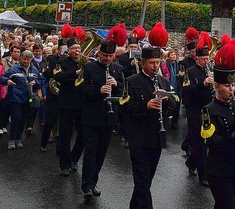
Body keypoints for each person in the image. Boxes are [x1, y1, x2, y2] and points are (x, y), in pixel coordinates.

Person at [120, 22, 177, 209]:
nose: (155, 66)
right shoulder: (131, 81)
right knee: (142, 180)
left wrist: (168, 101)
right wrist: (145, 105)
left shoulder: (163, 81)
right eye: (151, 63)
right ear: (143, 63)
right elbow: (125, 106)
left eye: (157, 62)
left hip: (157, 137)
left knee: (146, 180)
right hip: (138, 137)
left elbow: (176, 102)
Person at [201, 39, 235, 209]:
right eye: (227, 86)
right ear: (217, 87)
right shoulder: (208, 110)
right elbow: (211, 140)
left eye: (232, 85)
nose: (231, 89)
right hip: (218, 169)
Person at [77, 24, 126, 200]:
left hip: (109, 117)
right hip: (91, 117)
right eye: (104, 55)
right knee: (91, 151)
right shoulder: (89, 68)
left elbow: (123, 92)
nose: (107, 59)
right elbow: (81, 89)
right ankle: (86, 185)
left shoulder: (118, 69)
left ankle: (94, 181)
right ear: (99, 54)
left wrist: (116, 85)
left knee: (101, 152)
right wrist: (98, 90)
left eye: (110, 56)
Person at [183, 31, 214, 187]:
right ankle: (203, 176)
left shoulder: (209, 71)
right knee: (201, 144)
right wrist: (203, 84)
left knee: (207, 143)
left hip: (208, 110)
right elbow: (187, 92)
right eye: (203, 59)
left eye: (207, 59)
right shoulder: (190, 72)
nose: (205, 62)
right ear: (197, 59)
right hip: (195, 111)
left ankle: (191, 162)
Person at [53, 26, 86, 176]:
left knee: (84, 134)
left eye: (79, 48)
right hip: (66, 104)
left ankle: (74, 158)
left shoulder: (86, 63)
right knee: (65, 135)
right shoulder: (62, 62)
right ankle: (64, 164)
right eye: (74, 48)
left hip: (82, 104)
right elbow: (58, 77)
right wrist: (75, 73)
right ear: (68, 50)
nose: (77, 51)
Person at [0, 50, 42, 150]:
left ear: (31, 59)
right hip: (16, 98)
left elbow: (40, 82)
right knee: (16, 118)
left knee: (23, 119)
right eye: (24, 59)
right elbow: (2, 78)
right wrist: (7, 81)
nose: (26, 61)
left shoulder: (35, 70)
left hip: (28, 98)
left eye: (28, 59)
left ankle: (18, 138)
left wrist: (36, 84)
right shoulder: (14, 69)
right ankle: (12, 139)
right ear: (21, 58)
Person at [178, 27, 199, 143]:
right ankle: (188, 144)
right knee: (191, 123)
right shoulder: (184, 62)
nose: (195, 54)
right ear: (190, 52)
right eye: (194, 52)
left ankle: (188, 144)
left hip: (198, 95)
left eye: (196, 51)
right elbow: (182, 79)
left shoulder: (199, 61)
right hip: (188, 94)